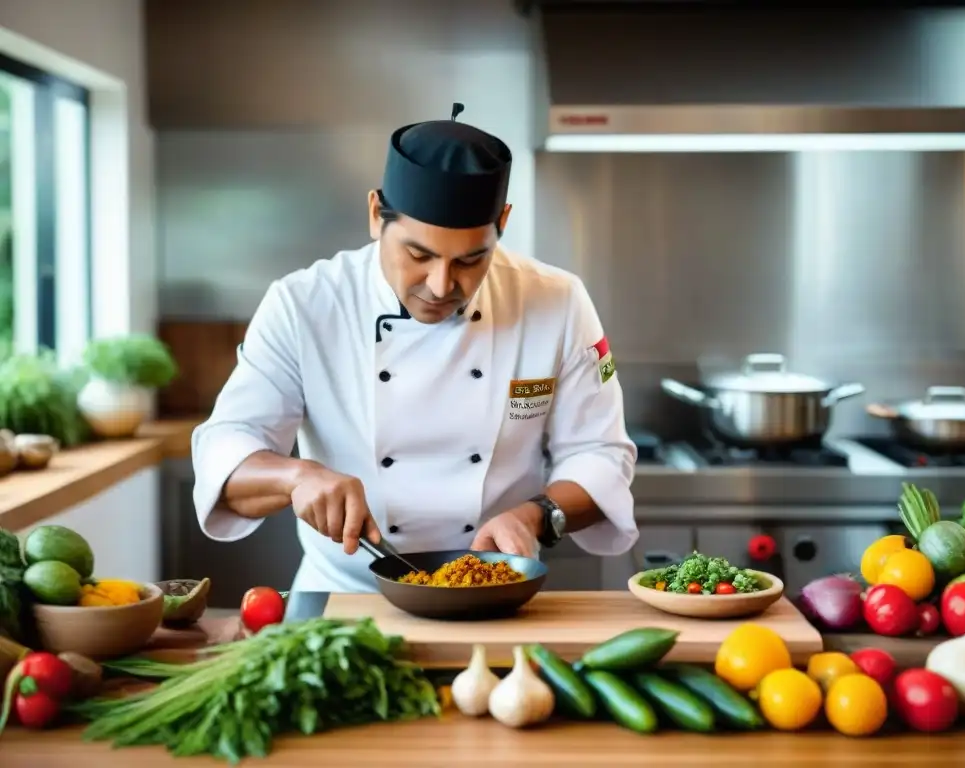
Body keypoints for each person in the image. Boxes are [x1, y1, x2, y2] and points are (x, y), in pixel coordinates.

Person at [191, 104, 638, 593]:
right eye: (418, 255)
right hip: (344, 597)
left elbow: (600, 453)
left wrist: (537, 515)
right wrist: (296, 477)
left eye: (471, 259)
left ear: (503, 222)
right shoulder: (304, 304)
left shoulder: (557, 301)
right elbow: (226, 450)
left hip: (494, 592)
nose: (442, 284)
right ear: (374, 215)